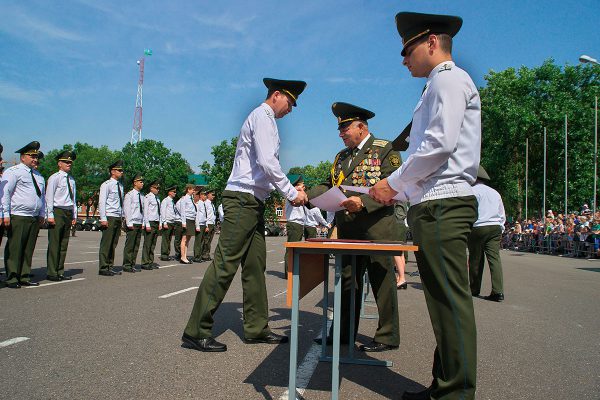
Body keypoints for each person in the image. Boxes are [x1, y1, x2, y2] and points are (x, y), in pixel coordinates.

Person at [369, 12, 481, 400]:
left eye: (408, 49)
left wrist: (392, 183)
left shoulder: (447, 79)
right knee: (442, 303)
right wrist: (396, 190)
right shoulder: (439, 83)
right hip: (434, 203)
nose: (403, 59)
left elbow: (438, 146)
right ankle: (444, 385)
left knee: (449, 304)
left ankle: (455, 393)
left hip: (443, 204)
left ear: (431, 42)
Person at [182, 77, 308, 352]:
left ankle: (256, 327)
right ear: (276, 95)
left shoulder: (267, 120)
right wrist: (291, 192)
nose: (291, 108)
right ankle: (196, 330)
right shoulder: (262, 116)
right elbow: (267, 162)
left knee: (254, 265)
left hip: (254, 201)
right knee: (226, 263)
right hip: (242, 199)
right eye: (290, 101)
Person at [308, 102, 401, 352]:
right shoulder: (341, 157)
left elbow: (394, 185)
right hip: (348, 230)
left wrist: (363, 202)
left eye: (345, 128)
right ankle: (342, 333)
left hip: (376, 228)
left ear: (361, 126)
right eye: (340, 130)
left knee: (382, 281)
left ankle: (387, 336)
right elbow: (328, 185)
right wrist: (306, 195)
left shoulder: (384, 149)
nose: (341, 134)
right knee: (348, 283)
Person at [1, 141, 46, 288]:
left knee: (28, 248)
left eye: (36, 156)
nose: (35, 159)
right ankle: (12, 277)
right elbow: (6, 193)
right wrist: (5, 213)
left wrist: (41, 213)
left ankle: (24, 275)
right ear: (22, 157)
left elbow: (42, 197)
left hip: (33, 216)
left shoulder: (38, 176)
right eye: (31, 156)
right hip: (18, 215)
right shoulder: (13, 172)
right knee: (15, 247)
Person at [468, 166, 506, 302]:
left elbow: (469, 212)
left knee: (475, 259)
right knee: (494, 259)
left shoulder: (471, 191)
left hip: (478, 227)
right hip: (495, 226)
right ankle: (498, 291)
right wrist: (501, 227)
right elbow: (502, 213)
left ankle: (474, 288)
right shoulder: (495, 193)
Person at [45, 150, 77, 281]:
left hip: (68, 212)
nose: (69, 164)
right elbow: (49, 197)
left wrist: (74, 215)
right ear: (59, 163)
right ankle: (52, 272)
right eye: (66, 162)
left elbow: (74, 199)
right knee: (55, 243)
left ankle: (60, 270)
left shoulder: (72, 180)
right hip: (57, 211)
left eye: (70, 162)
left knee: (64, 243)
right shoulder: (54, 178)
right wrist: (50, 215)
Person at [98, 160, 125, 276]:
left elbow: (121, 203)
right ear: (112, 171)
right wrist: (103, 218)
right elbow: (102, 202)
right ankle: (103, 267)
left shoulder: (120, 186)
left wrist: (122, 216)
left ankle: (110, 265)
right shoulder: (106, 185)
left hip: (117, 216)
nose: (121, 172)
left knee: (113, 243)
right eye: (119, 170)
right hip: (109, 216)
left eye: (122, 170)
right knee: (106, 243)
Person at [122, 174, 145, 273]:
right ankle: (127, 264)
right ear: (135, 183)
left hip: (139, 222)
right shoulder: (130, 195)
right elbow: (127, 210)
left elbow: (143, 211)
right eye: (140, 182)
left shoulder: (142, 196)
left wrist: (143, 222)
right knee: (130, 245)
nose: (142, 183)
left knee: (136, 245)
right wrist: (129, 223)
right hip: (133, 223)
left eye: (142, 182)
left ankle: (132, 263)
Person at [284, 176, 307, 273]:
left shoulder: (298, 193)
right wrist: (299, 189)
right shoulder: (292, 193)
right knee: (291, 250)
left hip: (297, 223)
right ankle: (289, 272)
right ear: (296, 185)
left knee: (294, 249)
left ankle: (291, 270)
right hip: (294, 223)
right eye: (302, 183)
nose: (304, 185)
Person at [141, 179, 161, 270]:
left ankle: (150, 261)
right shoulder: (147, 197)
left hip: (156, 222)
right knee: (148, 243)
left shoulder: (157, 198)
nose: (158, 190)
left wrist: (160, 222)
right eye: (156, 188)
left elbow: (159, 212)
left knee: (153, 244)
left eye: (158, 188)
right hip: (150, 222)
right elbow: (145, 212)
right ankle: (145, 262)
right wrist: (147, 224)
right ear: (151, 188)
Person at [160, 185, 180, 261]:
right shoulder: (165, 201)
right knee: (166, 239)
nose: (175, 193)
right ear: (169, 192)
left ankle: (167, 253)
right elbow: (163, 212)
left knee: (169, 239)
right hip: (167, 222)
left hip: (172, 222)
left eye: (175, 192)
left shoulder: (172, 201)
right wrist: (164, 222)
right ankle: (164, 255)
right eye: (174, 192)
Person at [179, 184, 197, 264]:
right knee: (184, 239)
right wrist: (183, 222)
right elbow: (182, 211)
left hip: (192, 219)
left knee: (188, 239)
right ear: (188, 190)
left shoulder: (191, 199)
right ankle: (182, 257)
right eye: (192, 189)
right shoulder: (184, 198)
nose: (194, 191)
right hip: (187, 220)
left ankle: (185, 256)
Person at [393, 202, 409, 290]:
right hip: (401, 224)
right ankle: (401, 278)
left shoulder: (399, 195)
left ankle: (402, 278)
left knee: (396, 251)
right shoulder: (403, 196)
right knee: (400, 252)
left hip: (397, 223)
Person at [200, 190, 217, 261]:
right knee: (206, 240)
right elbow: (205, 215)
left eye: (214, 195)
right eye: (212, 195)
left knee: (209, 241)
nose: (213, 196)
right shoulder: (206, 203)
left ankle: (207, 254)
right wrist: (206, 225)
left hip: (212, 223)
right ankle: (203, 254)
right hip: (208, 223)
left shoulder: (211, 204)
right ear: (208, 195)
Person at [192, 190, 207, 262]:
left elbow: (205, 215)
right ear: (201, 196)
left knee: (201, 241)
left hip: (203, 224)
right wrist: (197, 226)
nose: (206, 196)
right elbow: (197, 215)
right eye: (204, 195)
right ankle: (196, 256)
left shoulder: (203, 203)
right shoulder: (199, 204)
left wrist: (206, 225)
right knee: (198, 241)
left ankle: (199, 255)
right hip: (200, 224)